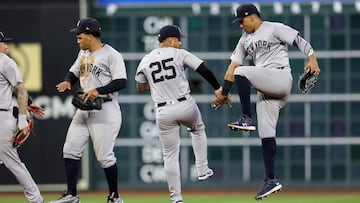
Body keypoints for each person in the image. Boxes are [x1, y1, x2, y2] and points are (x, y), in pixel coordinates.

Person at [212, 4, 321, 200]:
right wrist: (224, 92)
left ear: (252, 17)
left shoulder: (273, 28)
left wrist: (312, 58)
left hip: (279, 78)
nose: (240, 25)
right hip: (266, 88)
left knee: (242, 72)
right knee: (266, 132)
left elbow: (299, 40)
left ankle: (246, 117)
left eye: (241, 21)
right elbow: (232, 67)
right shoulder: (244, 40)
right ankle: (271, 180)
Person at [135, 25, 218, 203]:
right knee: (197, 129)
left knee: (170, 154)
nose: (180, 43)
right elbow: (204, 69)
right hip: (184, 104)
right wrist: (218, 88)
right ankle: (202, 170)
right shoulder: (179, 53)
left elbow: (140, 88)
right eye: (178, 39)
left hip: (163, 111)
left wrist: (155, 81)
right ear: (170, 40)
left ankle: (176, 197)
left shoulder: (145, 60)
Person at [51, 18, 127, 203]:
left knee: (104, 157)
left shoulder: (111, 54)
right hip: (84, 110)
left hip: (105, 109)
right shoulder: (83, 53)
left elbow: (121, 81)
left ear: (91, 35)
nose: (77, 39)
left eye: (80, 35)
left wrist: (98, 90)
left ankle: (115, 197)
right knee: (70, 150)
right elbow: (74, 71)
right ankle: (71, 195)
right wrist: (68, 80)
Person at [0, 31, 45, 203]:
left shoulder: (5, 61)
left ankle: (36, 200)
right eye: (3, 42)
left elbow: (20, 89)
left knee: (12, 162)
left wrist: (22, 119)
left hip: (2, 117)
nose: (7, 46)